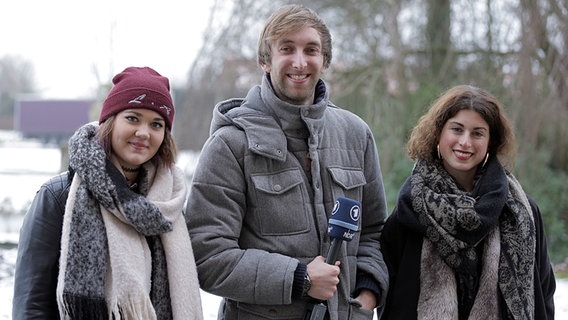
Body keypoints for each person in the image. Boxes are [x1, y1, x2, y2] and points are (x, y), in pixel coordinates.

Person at [186, 4, 389, 320]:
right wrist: (299, 277)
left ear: (325, 61)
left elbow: (374, 231)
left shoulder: (355, 135)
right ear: (265, 61)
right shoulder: (230, 144)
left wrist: (366, 295)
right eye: (287, 49)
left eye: (311, 50)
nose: (299, 61)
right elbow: (206, 255)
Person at [12, 66, 203, 319]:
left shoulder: (169, 205)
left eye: (156, 124)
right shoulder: (58, 195)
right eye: (133, 118)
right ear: (110, 122)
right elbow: (31, 304)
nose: (144, 132)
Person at [380, 85, 556, 319]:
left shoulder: (521, 211)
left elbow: (544, 292)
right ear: (438, 134)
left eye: (477, 133)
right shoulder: (410, 207)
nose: (465, 142)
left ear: (490, 143)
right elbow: (389, 295)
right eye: (457, 129)